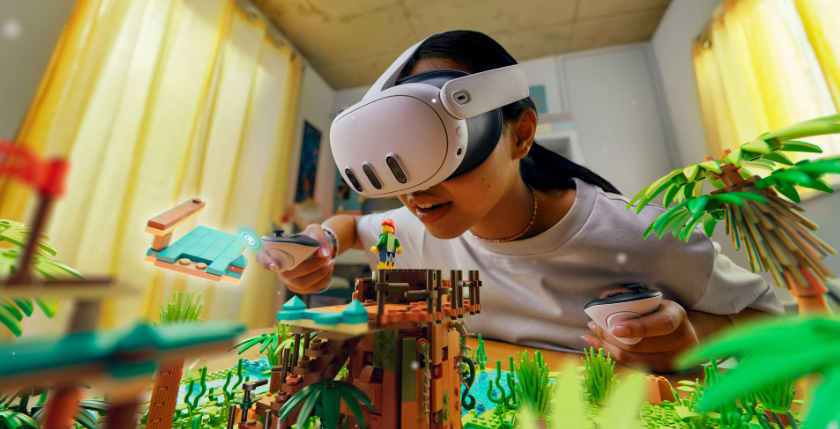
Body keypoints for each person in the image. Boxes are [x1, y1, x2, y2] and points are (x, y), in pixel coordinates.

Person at [258, 30, 783, 373]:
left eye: (440, 146)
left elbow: (777, 324)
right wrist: (321, 242)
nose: (415, 190)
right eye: (401, 162)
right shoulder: (419, 224)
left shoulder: (644, 233)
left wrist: (696, 337)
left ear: (519, 135)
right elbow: (351, 227)